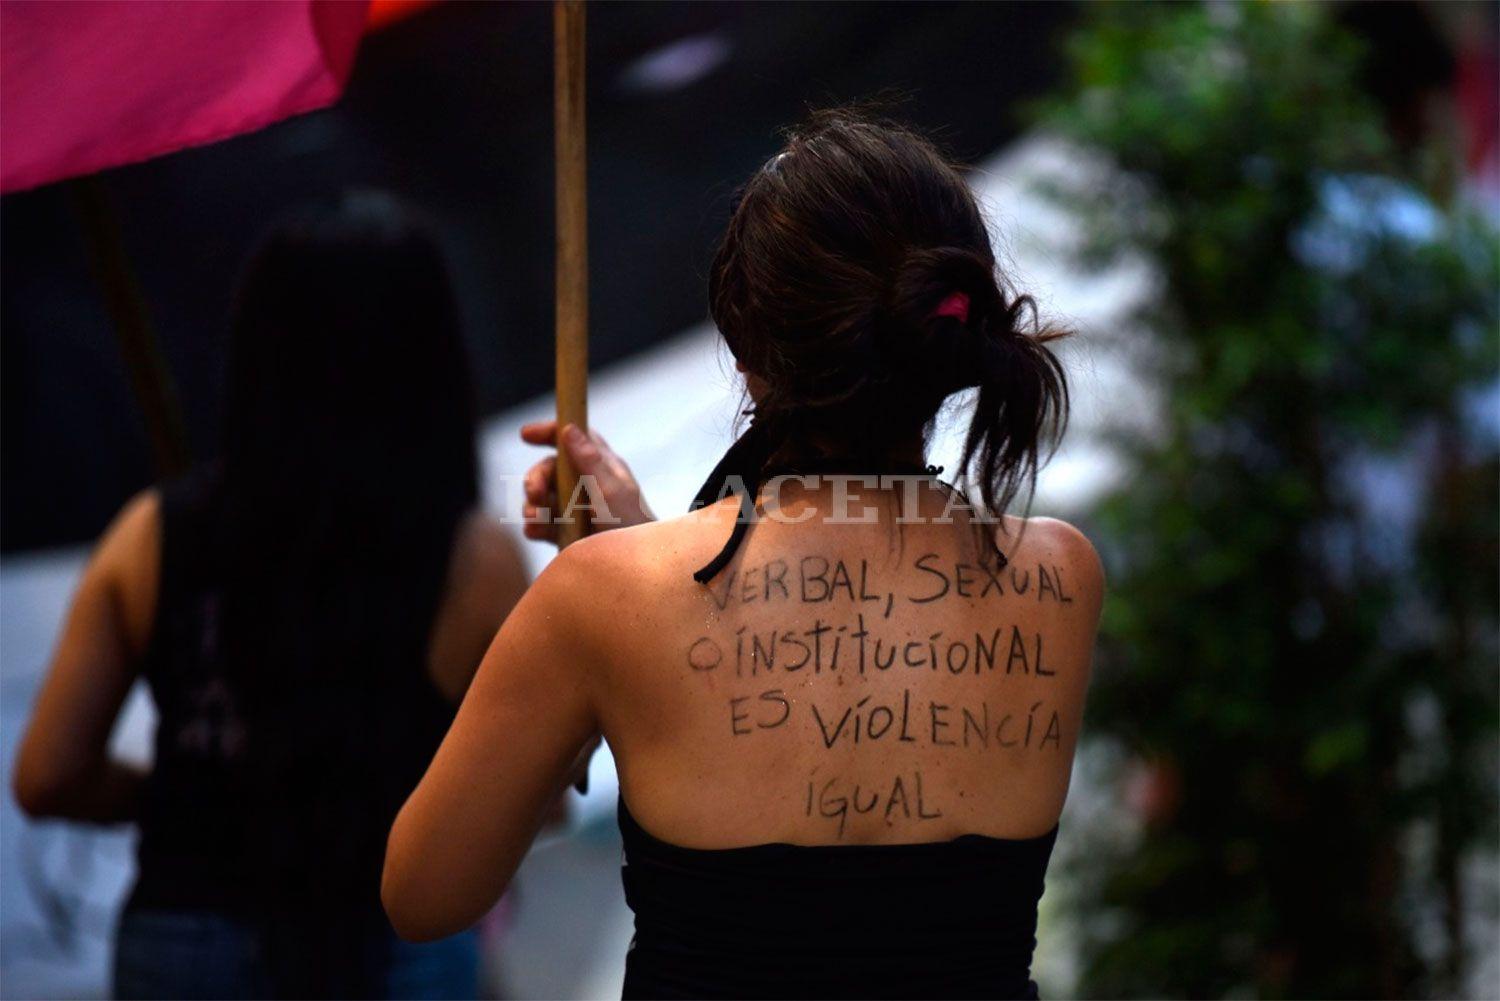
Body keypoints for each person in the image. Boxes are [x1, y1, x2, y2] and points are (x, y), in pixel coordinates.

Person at [383, 111, 1104, 999]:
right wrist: (641, 549)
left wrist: (608, 599)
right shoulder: (1057, 576)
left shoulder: (602, 599)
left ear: (744, 339)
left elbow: (425, 893)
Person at [12, 192, 529, 999]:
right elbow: (532, 793)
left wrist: (186, 794)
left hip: (183, 939)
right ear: (431, 358)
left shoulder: (150, 534)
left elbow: (48, 775)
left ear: (255, 348)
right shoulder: (476, 560)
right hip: (390, 943)